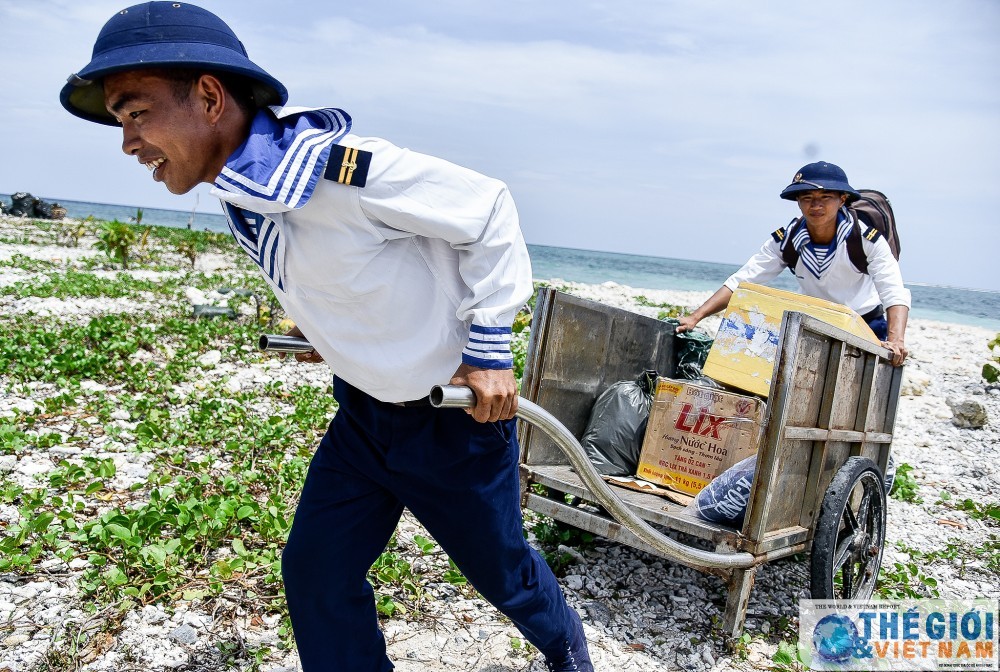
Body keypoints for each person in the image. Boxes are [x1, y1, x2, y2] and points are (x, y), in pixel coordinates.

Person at [60, 4, 593, 671]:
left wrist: (489, 348)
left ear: (207, 96)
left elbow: (487, 211)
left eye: (135, 113)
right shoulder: (245, 188)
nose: (127, 142)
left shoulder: (338, 171)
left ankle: (565, 642)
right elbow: (339, 272)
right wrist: (324, 328)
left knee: (502, 572)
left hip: (449, 424)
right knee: (316, 572)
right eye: (119, 121)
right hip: (363, 421)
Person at [676, 161, 910, 366]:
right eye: (807, 198)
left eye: (825, 198)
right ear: (798, 201)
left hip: (865, 324)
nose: (815, 205)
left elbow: (892, 289)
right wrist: (696, 316)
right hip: (812, 325)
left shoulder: (865, 239)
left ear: (842, 200)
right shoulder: (788, 239)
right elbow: (743, 280)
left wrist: (896, 340)